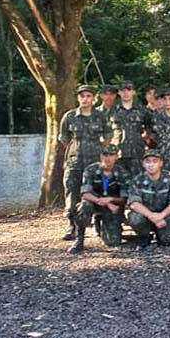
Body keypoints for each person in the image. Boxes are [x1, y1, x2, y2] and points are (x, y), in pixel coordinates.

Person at [58, 84, 112, 242]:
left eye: (88, 96)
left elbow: (108, 136)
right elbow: (64, 139)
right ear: (78, 98)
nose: (85, 99)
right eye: (82, 96)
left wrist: (96, 148)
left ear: (93, 98)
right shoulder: (70, 116)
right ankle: (72, 225)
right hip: (75, 160)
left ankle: (98, 223)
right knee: (72, 191)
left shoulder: (100, 116)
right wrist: (77, 149)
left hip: (95, 159)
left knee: (98, 189)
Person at [71, 143, 130, 253]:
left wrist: (110, 200)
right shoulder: (91, 170)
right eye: (105, 155)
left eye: (111, 155)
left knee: (112, 242)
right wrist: (102, 201)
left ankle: (102, 223)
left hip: (113, 207)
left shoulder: (122, 173)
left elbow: (124, 198)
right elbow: (85, 193)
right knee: (84, 205)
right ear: (101, 156)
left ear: (116, 156)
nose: (108, 158)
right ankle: (79, 239)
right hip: (95, 203)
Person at [125, 149, 170, 250]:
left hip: (165, 216)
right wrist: (151, 216)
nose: (151, 164)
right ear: (143, 164)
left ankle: (159, 233)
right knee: (135, 218)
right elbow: (134, 203)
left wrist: (161, 215)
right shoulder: (137, 179)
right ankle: (144, 236)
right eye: (147, 161)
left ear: (161, 163)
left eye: (154, 161)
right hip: (146, 216)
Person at [109, 81, 148, 177]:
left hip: (137, 152)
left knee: (138, 180)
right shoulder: (112, 111)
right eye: (123, 90)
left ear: (133, 92)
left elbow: (151, 128)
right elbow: (105, 130)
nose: (126, 93)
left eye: (129, 90)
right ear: (119, 92)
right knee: (117, 181)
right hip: (118, 151)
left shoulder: (142, 110)